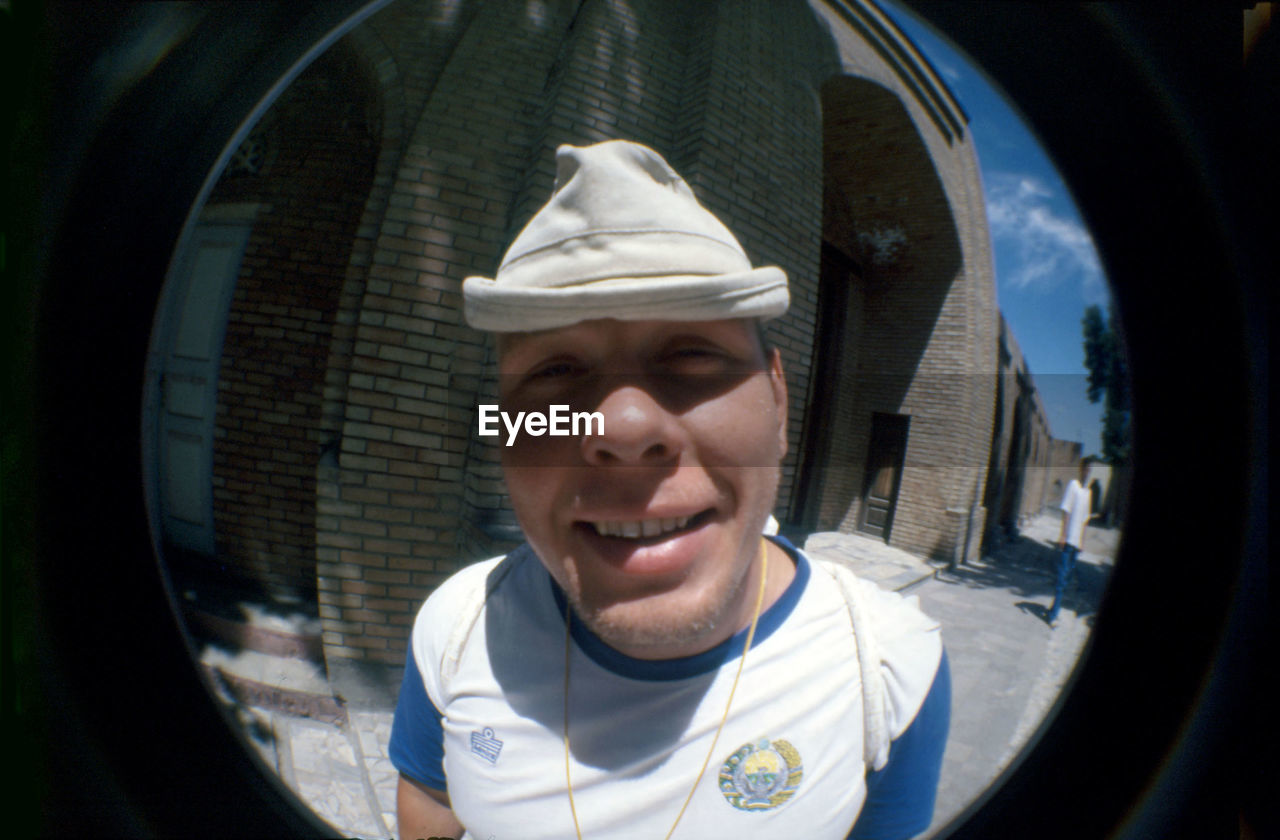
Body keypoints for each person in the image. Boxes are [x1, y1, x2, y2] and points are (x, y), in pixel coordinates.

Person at [389, 140, 949, 840]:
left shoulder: (892, 671)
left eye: (691, 353)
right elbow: (432, 808)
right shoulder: (453, 629)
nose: (623, 427)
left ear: (777, 400)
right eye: (556, 372)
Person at [1048, 460, 1094, 626]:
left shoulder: (1088, 492)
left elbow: (1085, 520)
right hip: (1068, 541)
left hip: (1076, 544)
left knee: (1066, 579)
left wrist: (1082, 541)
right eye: (1086, 469)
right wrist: (1063, 535)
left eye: (1090, 470)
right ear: (1081, 469)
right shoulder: (1073, 485)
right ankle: (1053, 616)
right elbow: (1066, 511)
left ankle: (1054, 608)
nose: (1088, 472)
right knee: (1061, 579)